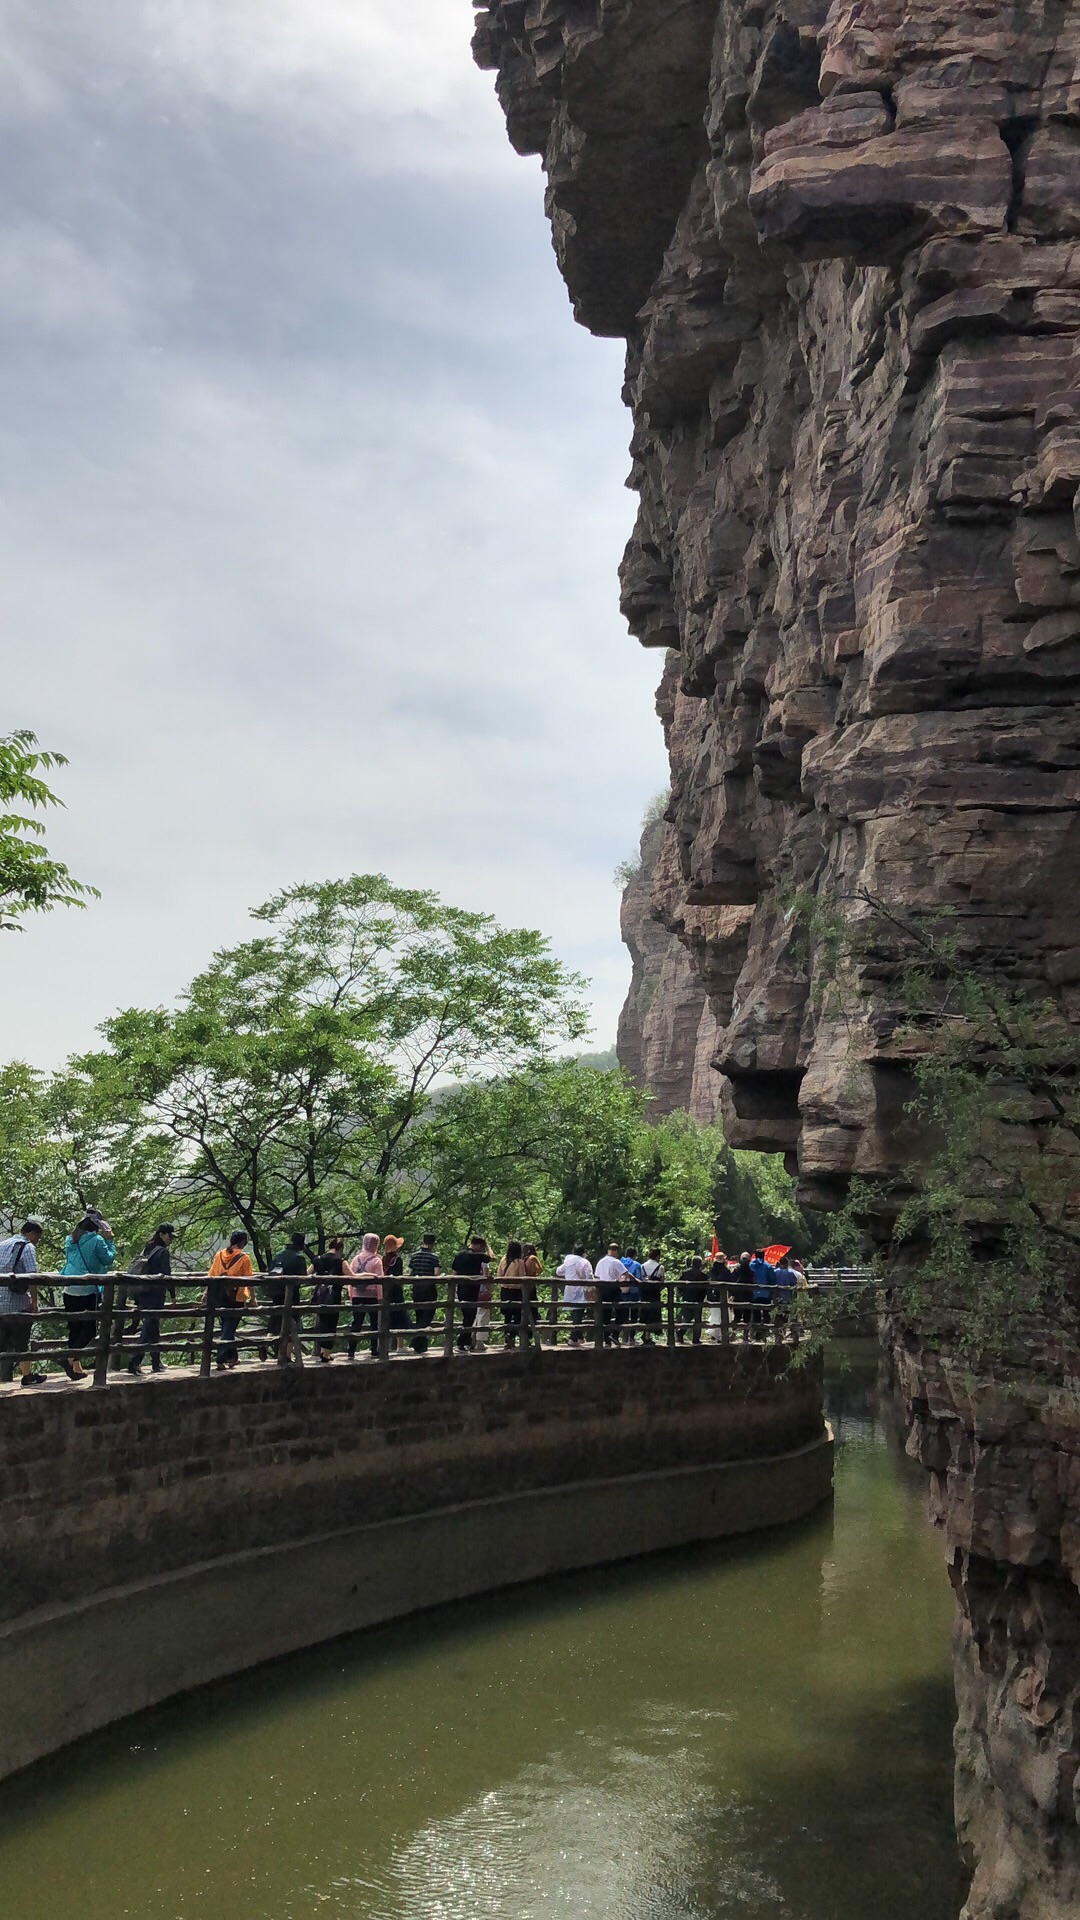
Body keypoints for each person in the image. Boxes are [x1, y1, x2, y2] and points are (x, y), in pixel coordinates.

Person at [61, 1213, 116, 1378]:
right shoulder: (97, 1241)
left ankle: (75, 1368)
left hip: (68, 1288)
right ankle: (69, 1357)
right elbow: (107, 1259)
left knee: (74, 1328)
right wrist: (109, 1240)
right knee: (90, 1330)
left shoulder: (70, 1239)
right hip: (87, 1289)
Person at [0, 1218, 46, 1386]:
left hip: (0, 1302)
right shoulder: (27, 1247)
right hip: (17, 1303)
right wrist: (34, 1301)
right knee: (21, 1342)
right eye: (37, 1237)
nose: (36, 1241)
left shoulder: (3, 1245)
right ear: (31, 1233)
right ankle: (27, 1376)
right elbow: (32, 1276)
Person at [128, 1224, 176, 1376]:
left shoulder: (147, 1249)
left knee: (153, 1327)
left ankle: (156, 1362)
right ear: (162, 1235)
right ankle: (134, 1362)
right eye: (169, 1236)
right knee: (149, 1327)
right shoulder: (162, 1252)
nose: (171, 1239)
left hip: (142, 1293)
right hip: (155, 1294)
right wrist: (173, 1294)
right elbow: (166, 1275)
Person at [208, 1231, 255, 1370]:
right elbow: (249, 1280)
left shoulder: (219, 1255)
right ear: (242, 1242)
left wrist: (206, 1294)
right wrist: (253, 1298)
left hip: (219, 1297)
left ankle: (232, 1358)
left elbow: (211, 1275)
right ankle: (220, 1359)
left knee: (227, 1327)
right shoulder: (244, 1258)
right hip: (237, 1298)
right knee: (229, 1329)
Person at [263, 1231, 309, 1364]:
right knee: (292, 1321)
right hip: (291, 1295)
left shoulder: (279, 1255)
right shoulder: (299, 1258)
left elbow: (269, 1271)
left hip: (276, 1292)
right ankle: (288, 1355)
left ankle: (266, 1342)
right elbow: (303, 1277)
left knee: (275, 1319)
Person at [310, 1237, 348, 1363]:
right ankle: (326, 1353)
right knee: (331, 1323)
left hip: (320, 1295)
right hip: (333, 1295)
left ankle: (321, 1350)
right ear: (340, 1249)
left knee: (321, 1321)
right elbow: (351, 1275)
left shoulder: (319, 1259)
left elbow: (307, 1273)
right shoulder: (340, 1261)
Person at [451, 1237, 490, 1353]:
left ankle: (466, 1342)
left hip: (461, 1289)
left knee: (467, 1316)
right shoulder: (477, 1256)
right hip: (472, 1290)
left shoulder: (459, 1255)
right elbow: (490, 1257)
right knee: (470, 1316)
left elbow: (454, 1272)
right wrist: (486, 1249)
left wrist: (454, 1289)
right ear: (478, 1246)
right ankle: (461, 1343)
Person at [348, 1233, 383, 1359]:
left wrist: (351, 1294)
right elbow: (379, 1281)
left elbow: (350, 1278)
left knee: (356, 1323)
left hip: (357, 1295)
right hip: (372, 1296)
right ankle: (374, 1350)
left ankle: (351, 1351)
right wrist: (380, 1297)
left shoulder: (355, 1259)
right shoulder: (376, 1260)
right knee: (374, 1324)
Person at [408, 1234, 441, 1354]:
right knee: (427, 1317)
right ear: (433, 1243)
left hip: (416, 1289)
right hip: (429, 1289)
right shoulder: (434, 1257)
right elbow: (436, 1274)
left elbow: (410, 1273)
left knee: (419, 1315)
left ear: (423, 1241)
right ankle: (417, 1341)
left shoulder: (414, 1256)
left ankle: (420, 1346)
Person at [556, 1245, 593, 1346]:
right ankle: (573, 1338)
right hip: (580, 1289)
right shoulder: (584, 1262)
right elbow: (589, 1276)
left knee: (575, 1312)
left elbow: (558, 1271)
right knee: (579, 1312)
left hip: (569, 1288)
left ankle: (580, 1337)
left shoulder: (568, 1261)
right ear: (583, 1253)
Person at [496, 1239, 529, 1350]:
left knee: (507, 1315)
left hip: (504, 1290)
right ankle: (512, 1335)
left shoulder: (503, 1260)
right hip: (516, 1291)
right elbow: (522, 1277)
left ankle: (507, 1336)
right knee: (518, 1314)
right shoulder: (519, 1262)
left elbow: (499, 1274)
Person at [594, 1245, 627, 1347]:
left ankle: (607, 1338)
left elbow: (597, 1276)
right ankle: (615, 1334)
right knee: (622, 1311)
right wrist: (636, 1280)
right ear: (614, 1251)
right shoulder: (615, 1262)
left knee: (605, 1314)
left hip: (602, 1289)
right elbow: (626, 1273)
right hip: (613, 1288)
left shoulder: (600, 1262)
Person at [381, 1235, 409, 1351]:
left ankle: (385, 1346)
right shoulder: (398, 1260)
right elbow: (399, 1277)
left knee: (386, 1318)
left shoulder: (382, 1259)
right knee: (400, 1317)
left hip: (384, 1292)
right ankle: (400, 1346)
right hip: (396, 1292)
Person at [677, 1256, 708, 1344]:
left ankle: (680, 1333)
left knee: (687, 1318)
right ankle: (696, 1339)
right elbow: (705, 1289)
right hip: (698, 1300)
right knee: (698, 1320)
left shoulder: (685, 1273)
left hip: (687, 1298)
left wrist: (682, 1293)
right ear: (700, 1264)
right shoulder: (703, 1276)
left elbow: (679, 1285)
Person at [618, 1247, 644, 1345]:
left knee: (623, 1315)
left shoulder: (620, 1263)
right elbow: (638, 1278)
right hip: (634, 1292)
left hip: (622, 1291)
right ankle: (631, 1338)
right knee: (633, 1315)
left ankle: (623, 1338)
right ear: (635, 1254)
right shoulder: (636, 1265)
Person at [639, 1248, 664, 1344]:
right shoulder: (660, 1267)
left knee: (645, 1313)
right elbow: (662, 1281)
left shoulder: (642, 1266)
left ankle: (645, 1334)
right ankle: (648, 1336)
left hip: (645, 1293)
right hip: (654, 1293)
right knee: (653, 1314)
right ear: (657, 1256)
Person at [750, 1249, 776, 1334]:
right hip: (766, 1293)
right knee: (766, 1313)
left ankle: (756, 1332)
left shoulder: (751, 1265)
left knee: (756, 1313)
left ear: (755, 1256)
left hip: (753, 1293)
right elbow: (772, 1280)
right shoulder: (767, 1266)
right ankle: (764, 1332)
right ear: (763, 1256)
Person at [731, 1251, 755, 1339]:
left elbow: (732, 1280)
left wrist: (732, 1293)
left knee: (737, 1316)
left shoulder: (736, 1270)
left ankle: (731, 1334)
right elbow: (753, 1282)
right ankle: (745, 1335)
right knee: (747, 1317)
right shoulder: (750, 1271)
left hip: (738, 1296)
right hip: (748, 1296)